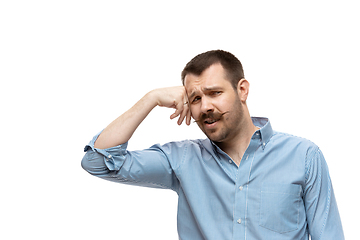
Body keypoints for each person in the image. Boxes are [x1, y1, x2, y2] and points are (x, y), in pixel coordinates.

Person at [82, 50, 344, 240]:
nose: (205, 106)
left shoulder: (303, 156)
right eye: (195, 98)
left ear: (242, 90)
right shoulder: (182, 159)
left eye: (215, 93)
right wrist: (151, 98)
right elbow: (98, 161)